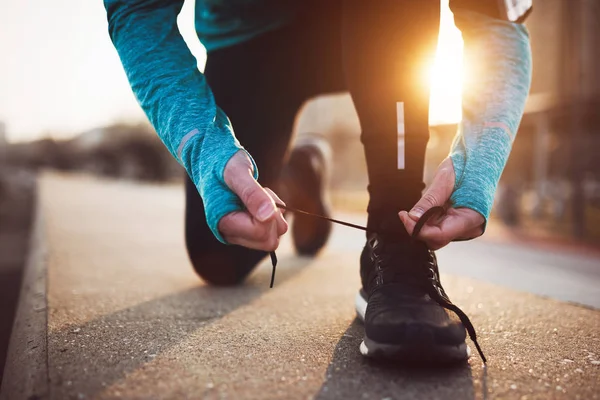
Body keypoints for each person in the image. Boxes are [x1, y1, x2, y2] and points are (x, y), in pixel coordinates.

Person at [104, 0, 532, 364]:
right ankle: (295, 174)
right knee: (218, 256)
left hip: (380, 22)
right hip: (249, 38)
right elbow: (137, 13)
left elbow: (497, 18)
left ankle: (396, 242)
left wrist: (478, 163)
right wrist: (209, 153)